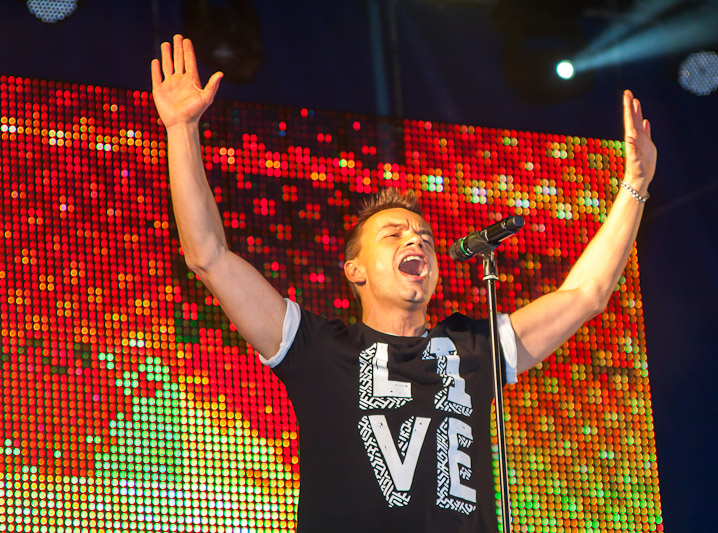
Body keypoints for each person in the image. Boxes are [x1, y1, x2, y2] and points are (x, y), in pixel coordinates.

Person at [152, 34, 656, 532]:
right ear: (355, 269)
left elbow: (586, 295)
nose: (415, 240)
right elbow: (208, 257)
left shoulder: (472, 347)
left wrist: (635, 186)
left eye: (425, 238)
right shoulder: (316, 348)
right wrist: (181, 129)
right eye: (393, 234)